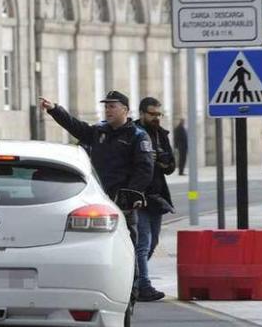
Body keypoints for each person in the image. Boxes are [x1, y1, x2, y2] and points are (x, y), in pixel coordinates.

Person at [39, 90, 154, 306]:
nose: (108, 110)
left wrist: (130, 194)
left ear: (125, 110)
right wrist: (55, 109)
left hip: (122, 203)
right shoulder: (99, 132)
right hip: (99, 201)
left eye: (113, 106)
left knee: (128, 248)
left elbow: (145, 169)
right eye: (106, 106)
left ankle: (131, 292)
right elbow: (76, 127)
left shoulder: (137, 136)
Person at [134, 97, 176, 302]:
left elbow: (171, 166)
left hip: (157, 197)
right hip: (138, 196)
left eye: (159, 114)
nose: (156, 118)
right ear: (142, 113)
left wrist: (161, 161)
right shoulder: (132, 133)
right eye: (152, 114)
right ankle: (143, 285)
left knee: (153, 242)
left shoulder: (161, 135)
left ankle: (133, 280)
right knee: (143, 242)